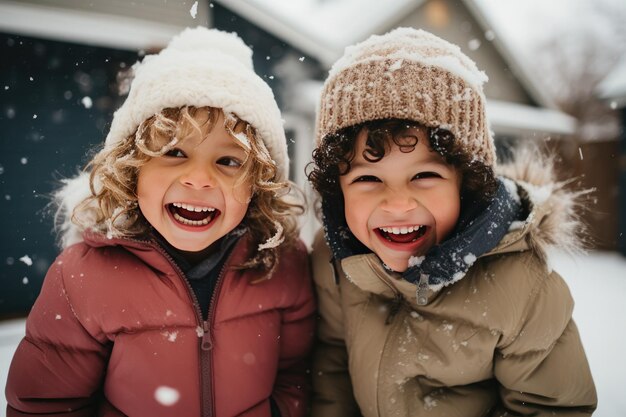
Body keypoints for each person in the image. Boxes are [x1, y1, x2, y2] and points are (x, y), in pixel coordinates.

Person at [6, 27, 315, 417]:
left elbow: (297, 376)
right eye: (174, 152)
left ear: (258, 186)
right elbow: (46, 405)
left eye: (228, 161)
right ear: (131, 170)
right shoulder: (83, 278)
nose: (199, 178)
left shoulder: (282, 264)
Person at [307, 27, 597, 416]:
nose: (397, 203)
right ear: (337, 190)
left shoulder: (522, 287)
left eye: (425, 176)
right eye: (367, 179)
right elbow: (333, 362)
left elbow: (551, 407)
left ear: (467, 182)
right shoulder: (335, 262)